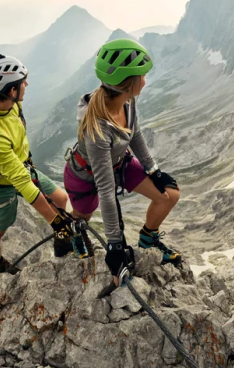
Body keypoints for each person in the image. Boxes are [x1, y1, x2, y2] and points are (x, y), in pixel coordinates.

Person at [63, 39, 181, 283]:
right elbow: (106, 191)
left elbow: (134, 134)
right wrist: (115, 245)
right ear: (129, 82)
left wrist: (153, 170)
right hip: (85, 174)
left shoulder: (128, 100)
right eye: (142, 76)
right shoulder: (96, 129)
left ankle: (148, 239)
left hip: (119, 163)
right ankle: (74, 229)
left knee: (169, 195)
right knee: (84, 213)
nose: (145, 80)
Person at [0, 54, 84, 277]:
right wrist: (55, 221)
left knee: (61, 199)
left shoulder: (8, 104)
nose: (27, 84)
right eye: (23, 82)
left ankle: (62, 248)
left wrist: (58, 221)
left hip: (21, 166)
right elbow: (21, 182)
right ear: (12, 91)